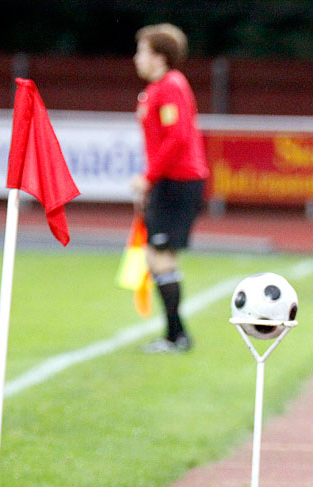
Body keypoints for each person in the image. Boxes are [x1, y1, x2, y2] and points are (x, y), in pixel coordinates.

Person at [132, 23, 210, 353]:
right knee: (158, 257)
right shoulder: (157, 89)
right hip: (170, 181)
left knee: (159, 256)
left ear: (160, 57)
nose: (137, 58)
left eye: (142, 51)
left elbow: (176, 137)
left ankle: (176, 336)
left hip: (179, 181)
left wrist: (148, 177)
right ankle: (174, 334)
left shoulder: (171, 86)